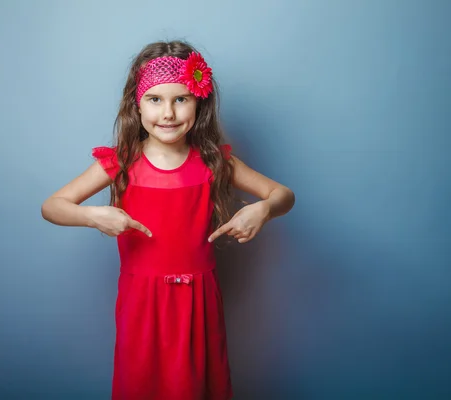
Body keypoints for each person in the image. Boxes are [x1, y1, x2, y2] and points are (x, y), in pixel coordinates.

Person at [41, 40, 295, 400]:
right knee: (142, 384)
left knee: (197, 387)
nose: (169, 114)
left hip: (198, 303)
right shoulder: (120, 162)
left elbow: (283, 194)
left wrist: (263, 209)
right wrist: (92, 215)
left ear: (199, 102)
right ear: (137, 104)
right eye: (155, 100)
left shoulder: (214, 162)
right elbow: (52, 206)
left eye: (181, 99)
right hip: (142, 302)